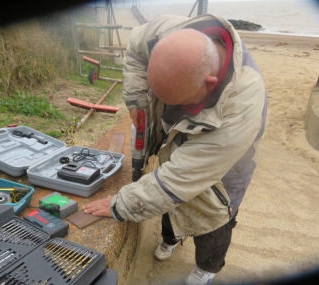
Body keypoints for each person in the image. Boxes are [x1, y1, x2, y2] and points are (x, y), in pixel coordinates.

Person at [83, 13, 268, 285]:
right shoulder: (166, 32)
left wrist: (121, 204)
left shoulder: (242, 107)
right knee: (170, 199)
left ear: (209, 84)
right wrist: (136, 99)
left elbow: (179, 180)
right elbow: (135, 50)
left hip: (229, 164)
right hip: (189, 132)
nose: (165, 107)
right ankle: (171, 239)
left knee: (215, 213)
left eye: (175, 101)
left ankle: (208, 266)